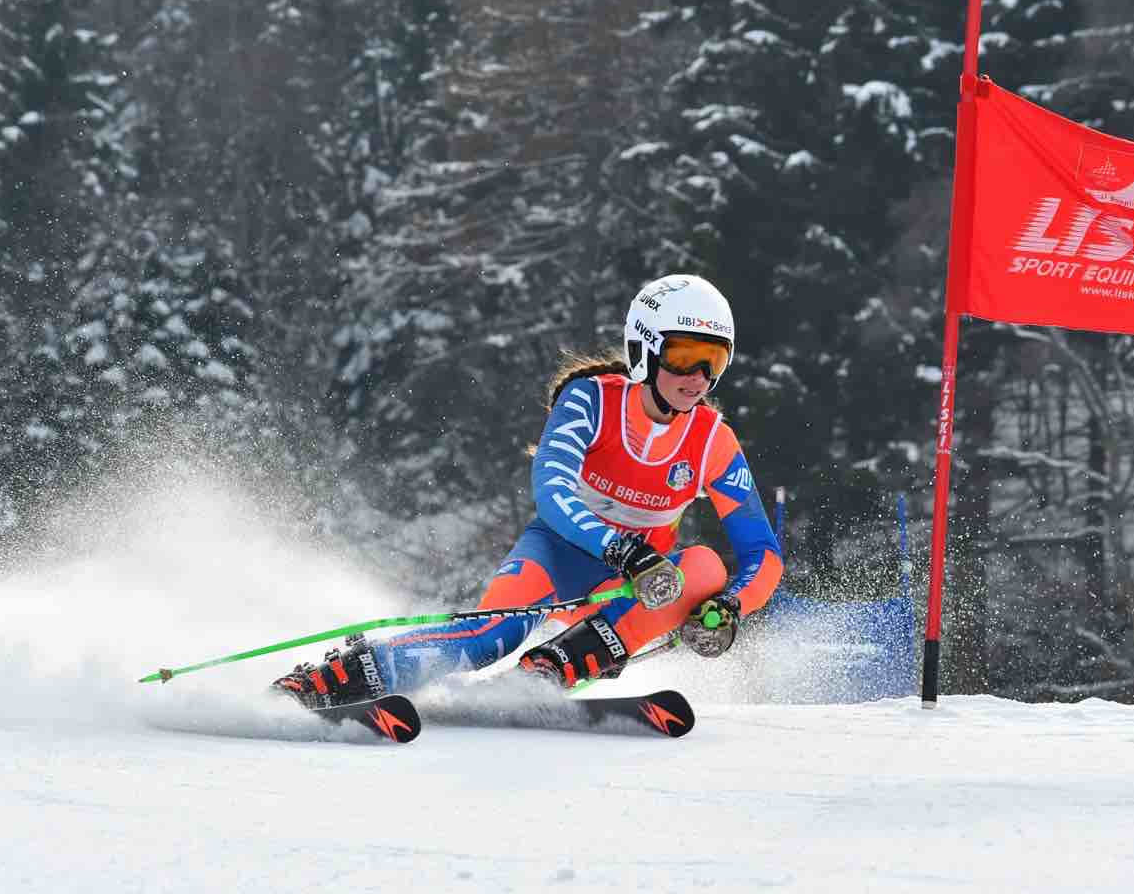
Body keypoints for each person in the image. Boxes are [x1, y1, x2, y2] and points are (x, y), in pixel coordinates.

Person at [273, 274, 784, 707]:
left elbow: (763, 554)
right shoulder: (592, 402)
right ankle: (337, 678)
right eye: (683, 356)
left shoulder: (711, 441)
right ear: (645, 349)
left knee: (706, 570)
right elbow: (553, 488)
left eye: (713, 362)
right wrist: (622, 549)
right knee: (489, 638)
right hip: (559, 556)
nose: (697, 377)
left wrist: (730, 608)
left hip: (629, 592)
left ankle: (547, 673)